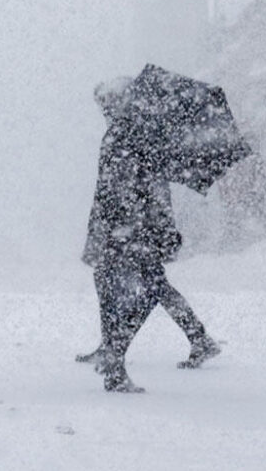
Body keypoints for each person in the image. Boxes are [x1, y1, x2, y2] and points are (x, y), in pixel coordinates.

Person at [77, 78, 219, 392]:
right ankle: (191, 338)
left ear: (119, 101)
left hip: (131, 230)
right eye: (99, 102)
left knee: (142, 288)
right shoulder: (128, 132)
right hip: (127, 229)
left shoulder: (129, 134)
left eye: (106, 102)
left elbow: (131, 190)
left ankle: (114, 358)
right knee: (135, 285)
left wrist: (129, 228)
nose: (102, 108)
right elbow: (118, 189)